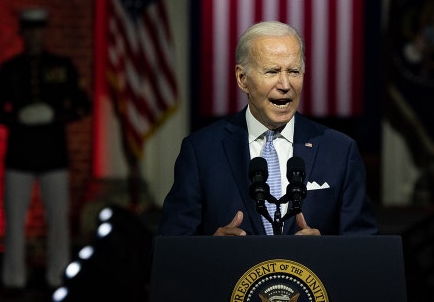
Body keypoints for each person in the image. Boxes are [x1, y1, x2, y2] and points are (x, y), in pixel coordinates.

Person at [157, 21, 378, 236]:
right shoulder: (201, 151)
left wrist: (322, 254)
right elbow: (171, 250)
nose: (284, 85)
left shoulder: (340, 151)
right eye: (272, 71)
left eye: (293, 71)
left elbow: (365, 251)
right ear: (242, 79)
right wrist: (212, 251)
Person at [0, 7, 91, 294]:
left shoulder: (62, 66)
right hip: (19, 155)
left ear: (44, 32)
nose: (34, 35)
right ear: (23, 33)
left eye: (38, 30)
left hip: (53, 154)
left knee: (58, 219)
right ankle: (13, 278)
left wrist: (55, 115)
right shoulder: (11, 69)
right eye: (29, 30)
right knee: (14, 219)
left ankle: (59, 275)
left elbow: (83, 105)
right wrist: (16, 117)